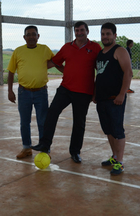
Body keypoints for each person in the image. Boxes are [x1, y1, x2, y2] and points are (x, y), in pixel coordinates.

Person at [32, 21, 102, 163]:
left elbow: (100, 71)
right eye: (76, 30)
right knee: (52, 112)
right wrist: (33, 66)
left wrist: (96, 92)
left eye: (82, 30)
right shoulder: (67, 47)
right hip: (66, 89)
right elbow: (55, 62)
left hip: (84, 92)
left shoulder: (95, 48)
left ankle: (75, 152)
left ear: (87, 31)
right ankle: (45, 144)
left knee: (79, 122)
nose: (79, 33)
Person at [7, 26, 56, 159]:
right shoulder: (18, 51)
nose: (31, 37)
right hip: (24, 93)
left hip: (41, 92)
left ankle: (44, 149)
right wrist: (10, 91)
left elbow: (55, 61)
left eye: (34, 34)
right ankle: (26, 148)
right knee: (24, 122)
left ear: (38, 36)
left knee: (42, 122)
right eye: (28, 35)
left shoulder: (44, 49)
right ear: (24, 37)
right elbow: (11, 72)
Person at [94, 22, 132, 175]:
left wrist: (122, 94)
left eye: (108, 34)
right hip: (102, 98)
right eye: (103, 34)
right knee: (108, 130)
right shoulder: (101, 53)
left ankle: (120, 162)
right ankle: (115, 157)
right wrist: (95, 93)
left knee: (117, 130)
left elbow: (128, 73)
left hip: (115, 98)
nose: (105, 36)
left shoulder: (120, 50)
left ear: (115, 35)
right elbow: (100, 75)